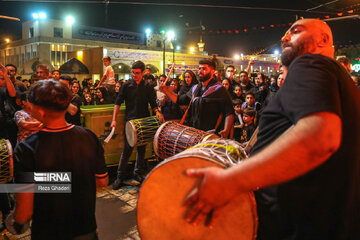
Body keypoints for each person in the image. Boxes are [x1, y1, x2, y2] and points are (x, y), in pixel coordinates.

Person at [183, 19, 360, 240]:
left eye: (296, 31)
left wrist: (231, 181)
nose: (285, 38)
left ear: (323, 39)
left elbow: (321, 137)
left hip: (294, 225)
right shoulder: (341, 80)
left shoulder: (310, 63)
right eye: (285, 34)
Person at [9, 79, 108, 239]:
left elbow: (24, 213)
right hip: (86, 228)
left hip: (49, 232)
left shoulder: (27, 148)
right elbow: (102, 181)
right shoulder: (88, 136)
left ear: (40, 112)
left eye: (30, 105)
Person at [111, 61, 164, 190]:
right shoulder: (126, 85)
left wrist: (157, 112)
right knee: (127, 151)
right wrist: (114, 120)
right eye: (133, 73)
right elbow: (117, 103)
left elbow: (153, 103)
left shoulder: (148, 86)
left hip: (144, 122)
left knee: (141, 151)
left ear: (143, 72)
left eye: (137, 73)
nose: (135, 75)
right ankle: (120, 177)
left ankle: (138, 173)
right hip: (130, 121)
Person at [160, 59, 234, 138]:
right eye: (199, 68)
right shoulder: (195, 88)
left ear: (212, 71)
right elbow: (180, 100)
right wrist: (166, 91)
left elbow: (229, 112)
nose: (200, 71)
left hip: (212, 135)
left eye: (204, 69)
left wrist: (226, 130)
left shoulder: (219, 89)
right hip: (196, 133)